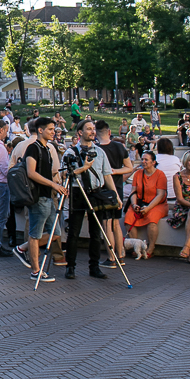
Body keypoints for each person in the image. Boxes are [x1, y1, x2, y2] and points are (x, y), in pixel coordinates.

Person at [62, 118, 117, 281]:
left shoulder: (100, 152)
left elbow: (107, 175)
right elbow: (64, 175)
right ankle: (70, 266)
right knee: (74, 232)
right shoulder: (71, 152)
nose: (93, 131)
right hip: (78, 192)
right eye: (89, 129)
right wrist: (83, 168)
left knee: (96, 232)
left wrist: (115, 195)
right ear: (80, 132)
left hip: (96, 193)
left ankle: (94, 267)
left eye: (93, 129)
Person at [11, 117, 64, 281]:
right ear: (40, 130)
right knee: (35, 234)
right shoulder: (33, 148)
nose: (53, 132)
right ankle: (36, 271)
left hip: (47, 196)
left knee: (55, 233)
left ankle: (22, 248)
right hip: (38, 197)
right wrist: (53, 185)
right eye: (50, 129)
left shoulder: (47, 148)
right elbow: (31, 172)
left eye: (54, 129)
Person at [94, 120, 134, 269]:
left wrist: (109, 172)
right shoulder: (119, 146)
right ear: (109, 132)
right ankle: (120, 255)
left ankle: (111, 257)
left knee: (107, 224)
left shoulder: (96, 149)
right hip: (117, 188)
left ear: (96, 134)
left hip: (103, 191)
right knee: (116, 223)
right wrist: (116, 171)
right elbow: (129, 167)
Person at [123, 150, 167, 256]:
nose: (143, 161)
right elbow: (133, 192)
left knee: (152, 220)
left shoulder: (160, 175)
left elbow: (160, 195)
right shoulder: (138, 174)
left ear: (153, 162)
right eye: (142, 159)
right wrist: (134, 205)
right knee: (129, 218)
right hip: (141, 202)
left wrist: (148, 208)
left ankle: (150, 248)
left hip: (157, 204)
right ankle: (136, 246)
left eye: (146, 160)